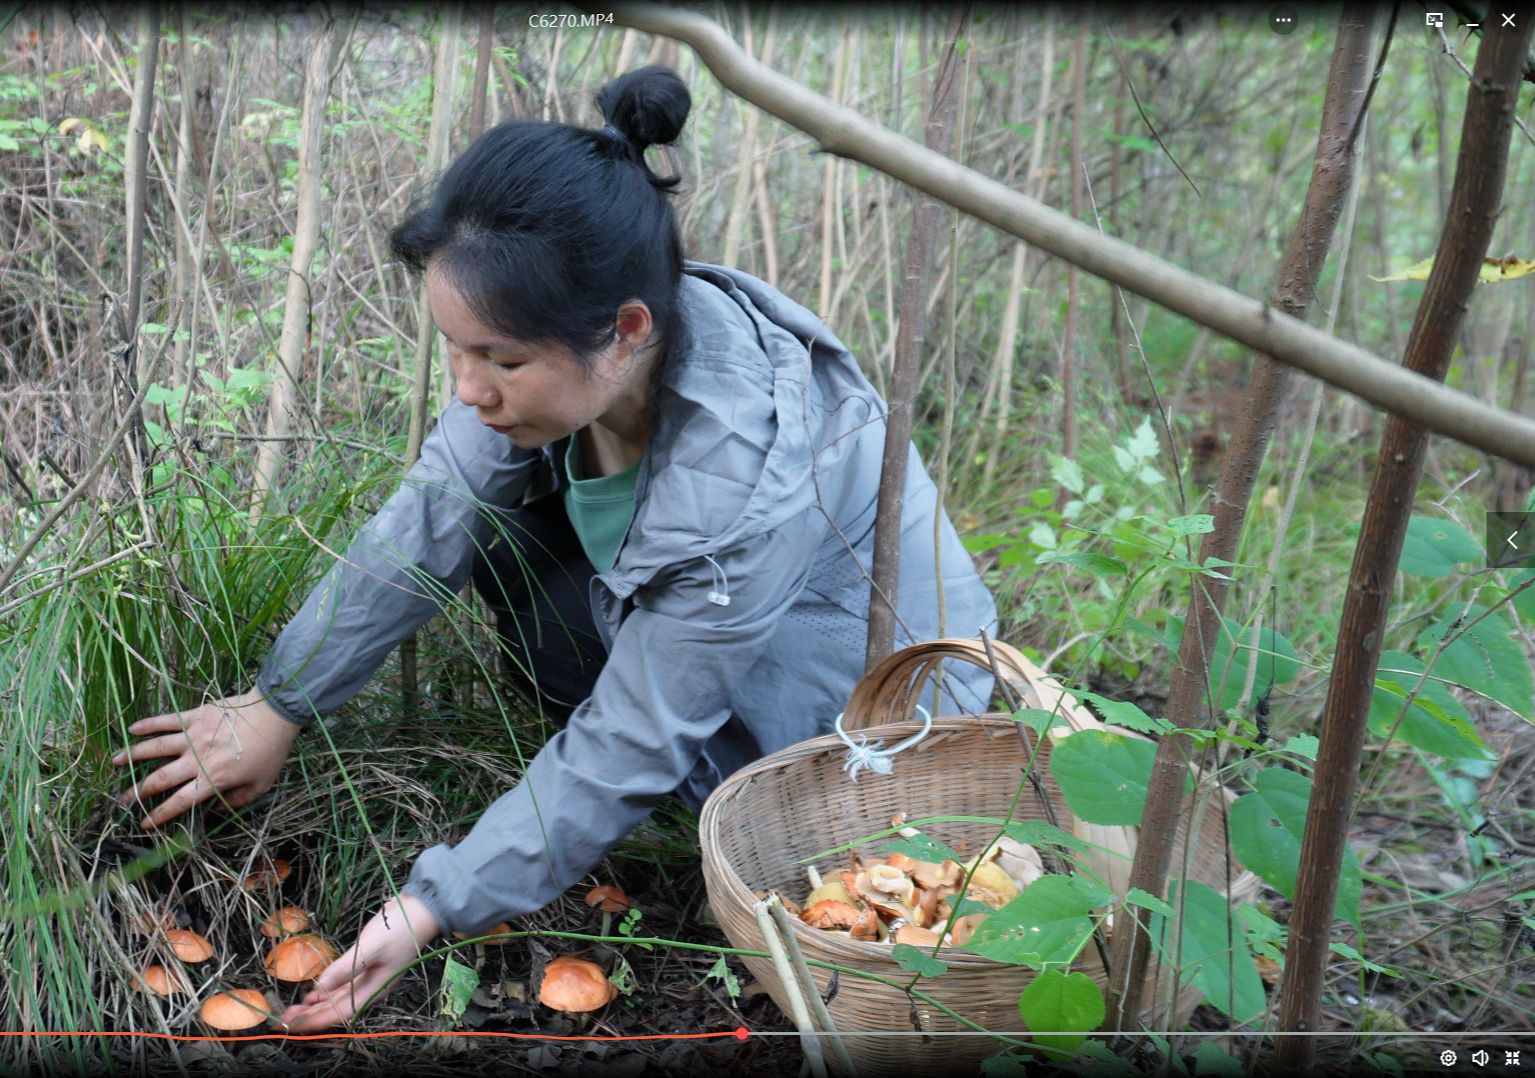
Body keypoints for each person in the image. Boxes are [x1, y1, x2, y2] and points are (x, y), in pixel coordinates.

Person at [111, 66, 997, 1031]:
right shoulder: (564, 356)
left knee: (640, 730)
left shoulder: (747, 476)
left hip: (855, 717)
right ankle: (582, 806)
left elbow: (638, 732)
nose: (468, 388)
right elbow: (427, 519)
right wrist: (282, 700)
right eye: (455, 348)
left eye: (499, 360)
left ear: (624, 333)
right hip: (694, 638)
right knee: (492, 538)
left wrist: (432, 902)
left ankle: (697, 815)